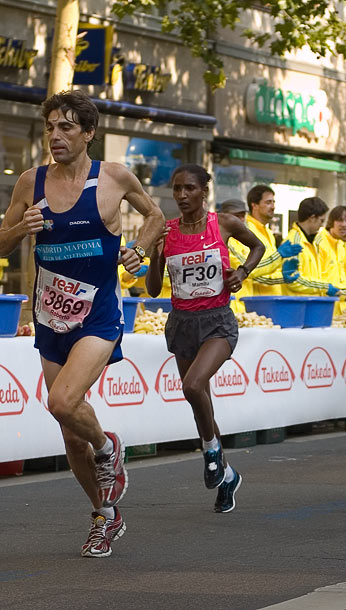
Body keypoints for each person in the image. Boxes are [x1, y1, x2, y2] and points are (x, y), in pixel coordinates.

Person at [0, 90, 165, 558]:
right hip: (51, 320)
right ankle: (105, 517)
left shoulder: (112, 177)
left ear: (88, 133)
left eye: (66, 127)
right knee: (69, 432)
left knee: (63, 399)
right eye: (50, 127)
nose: (56, 136)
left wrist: (141, 249)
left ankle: (108, 448)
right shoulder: (30, 182)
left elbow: (155, 216)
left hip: (99, 317)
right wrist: (18, 229)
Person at [145, 164, 264, 513]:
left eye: (189, 189)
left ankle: (211, 450)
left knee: (193, 385)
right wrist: (155, 256)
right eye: (176, 189)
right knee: (200, 401)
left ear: (203, 191)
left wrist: (241, 272)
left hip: (217, 323)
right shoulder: (165, 232)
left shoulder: (223, 223)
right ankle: (226, 476)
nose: (182, 195)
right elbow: (153, 290)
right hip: (182, 322)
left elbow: (256, 247)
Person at [236, 185, 302, 298]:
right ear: (254, 205)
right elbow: (248, 271)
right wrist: (278, 257)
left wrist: (284, 273)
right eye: (268, 202)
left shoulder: (268, 232)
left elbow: (270, 267)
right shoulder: (246, 232)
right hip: (256, 303)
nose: (273, 207)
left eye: (273, 202)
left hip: (273, 301)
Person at [281, 197, 346, 301]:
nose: (322, 225)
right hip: (298, 306)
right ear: (312, 218)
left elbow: (315, 277)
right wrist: (325, 287)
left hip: (312, 305)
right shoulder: (294, 243)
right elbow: (293, 280)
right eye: (321, 221)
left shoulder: (312, 243)